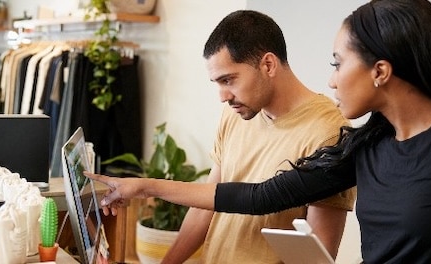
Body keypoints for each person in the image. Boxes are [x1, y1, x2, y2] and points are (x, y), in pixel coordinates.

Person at [85, 0, 431, 263]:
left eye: (338, 63)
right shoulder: (367, 147)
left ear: (380, 71)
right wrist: (144, 186)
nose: (332, 80)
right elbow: (260, 196)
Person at [112, 10, 357, 264]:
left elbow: (318, 254)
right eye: (217, 83)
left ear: (268, 65)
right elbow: (205, 207)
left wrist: (148, 186)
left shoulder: (328, 132)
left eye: (228, 80)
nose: (222, 96)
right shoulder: (236, 114)